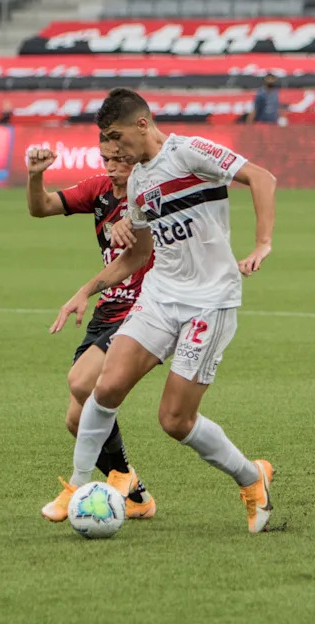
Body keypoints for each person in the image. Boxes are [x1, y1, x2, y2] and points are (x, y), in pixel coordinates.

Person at [46, 88, 278, 533]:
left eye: (115, 137)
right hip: (160, 296)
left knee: (174, 420)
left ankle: (252, 478)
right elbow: (137, 256)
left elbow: (262, 178)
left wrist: (262, 243)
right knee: (106, 387)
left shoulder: (190, 152)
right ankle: (78, 487)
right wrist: (87, 289)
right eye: (105, 141)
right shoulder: (137, 181)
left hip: (209, 301)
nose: (112, 149)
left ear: (141, 124)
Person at [25, 135, 156, 520]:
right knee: (76, 419)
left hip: (147, 308)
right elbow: (42, 207)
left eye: (121, 159)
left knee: (82, 383)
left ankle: (91, 482)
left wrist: (128, 221)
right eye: (107, 158)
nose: (113, 165)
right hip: (109, 310)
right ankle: (134, 491)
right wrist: (35, 178)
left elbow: (144, 243)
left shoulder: (153, 190)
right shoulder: (99, 190)